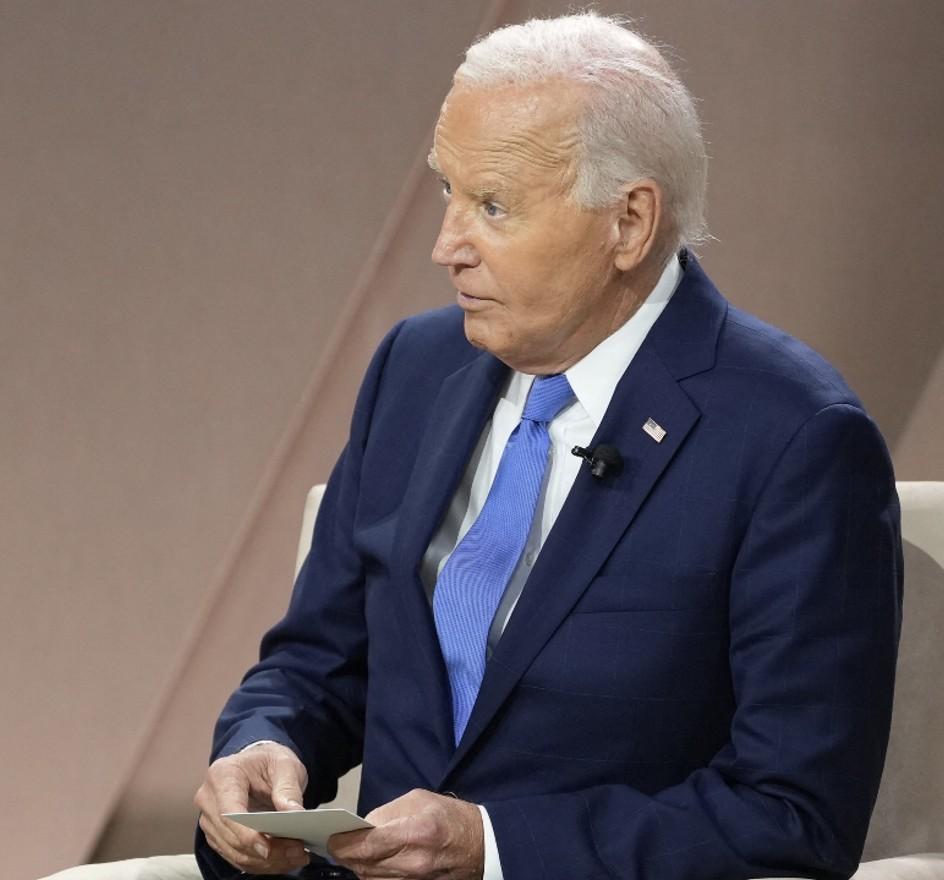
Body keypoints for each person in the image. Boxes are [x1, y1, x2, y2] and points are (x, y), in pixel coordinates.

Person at [192, 12, 902, 880]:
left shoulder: (794, 442)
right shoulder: (414, 371)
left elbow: (793, 813)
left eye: (492, 206)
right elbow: (319, 658)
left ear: (629, 224)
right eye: (447, 192)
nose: (446, 246)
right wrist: (264, 745)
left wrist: (494, 848)